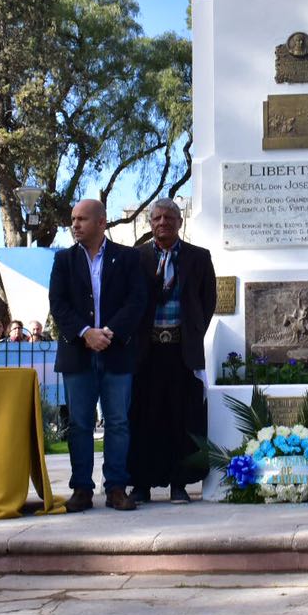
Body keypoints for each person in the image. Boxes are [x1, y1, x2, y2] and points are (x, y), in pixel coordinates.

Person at [49, 198, 148, 513]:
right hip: (78, 354)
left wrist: (108, 332)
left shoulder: (128, 258)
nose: (75, 224)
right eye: (73, 218)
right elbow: (58, 304)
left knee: (118, 421)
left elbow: (137, 301)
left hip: (116, 353)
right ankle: (81, 489)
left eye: (82, 219)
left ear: (101, 222)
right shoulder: (63, 260)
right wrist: (85, 333)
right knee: (79, 424)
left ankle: (116, 487)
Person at [128, 199, 217, 505]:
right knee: (144, 418)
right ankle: (141, 484)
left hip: (181, 350)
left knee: (182, 419)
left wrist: (191, 333)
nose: (163, 222)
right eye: (157, 218)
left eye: (169, 217)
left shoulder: (198, 258)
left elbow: (208, 301)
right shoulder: (136, 258)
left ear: (180, 222)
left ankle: (180, 483)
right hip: (146, 351)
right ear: (149, 224)